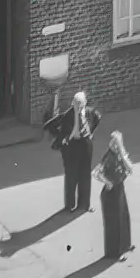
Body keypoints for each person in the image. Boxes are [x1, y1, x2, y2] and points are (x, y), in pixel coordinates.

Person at [46, 88, 97, 218]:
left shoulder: (90, 112)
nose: (79, 106)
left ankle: (84, 204)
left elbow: (98, 118)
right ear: (72, 103)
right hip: (72, 146)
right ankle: (69, 206)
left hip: (85, 144)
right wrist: (62, 138)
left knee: (85, 174)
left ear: (85, 103)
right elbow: (50, 126)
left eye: (81, 103)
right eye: (76, 103)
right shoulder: (67, 115)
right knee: (71, 175)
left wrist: (91, 132)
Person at [96, 121, 136, 262]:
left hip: (120, 189)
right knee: (114, 223)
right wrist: (108, 182)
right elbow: (96, 173)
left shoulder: (120, 155)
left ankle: (125, 245)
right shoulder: (108, 157)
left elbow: (130, 169)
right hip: (110, 193)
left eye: (116, 143)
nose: (113, 145)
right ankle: (115, 253)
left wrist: (123, 156)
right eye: (112, 143)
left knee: (123, 217)